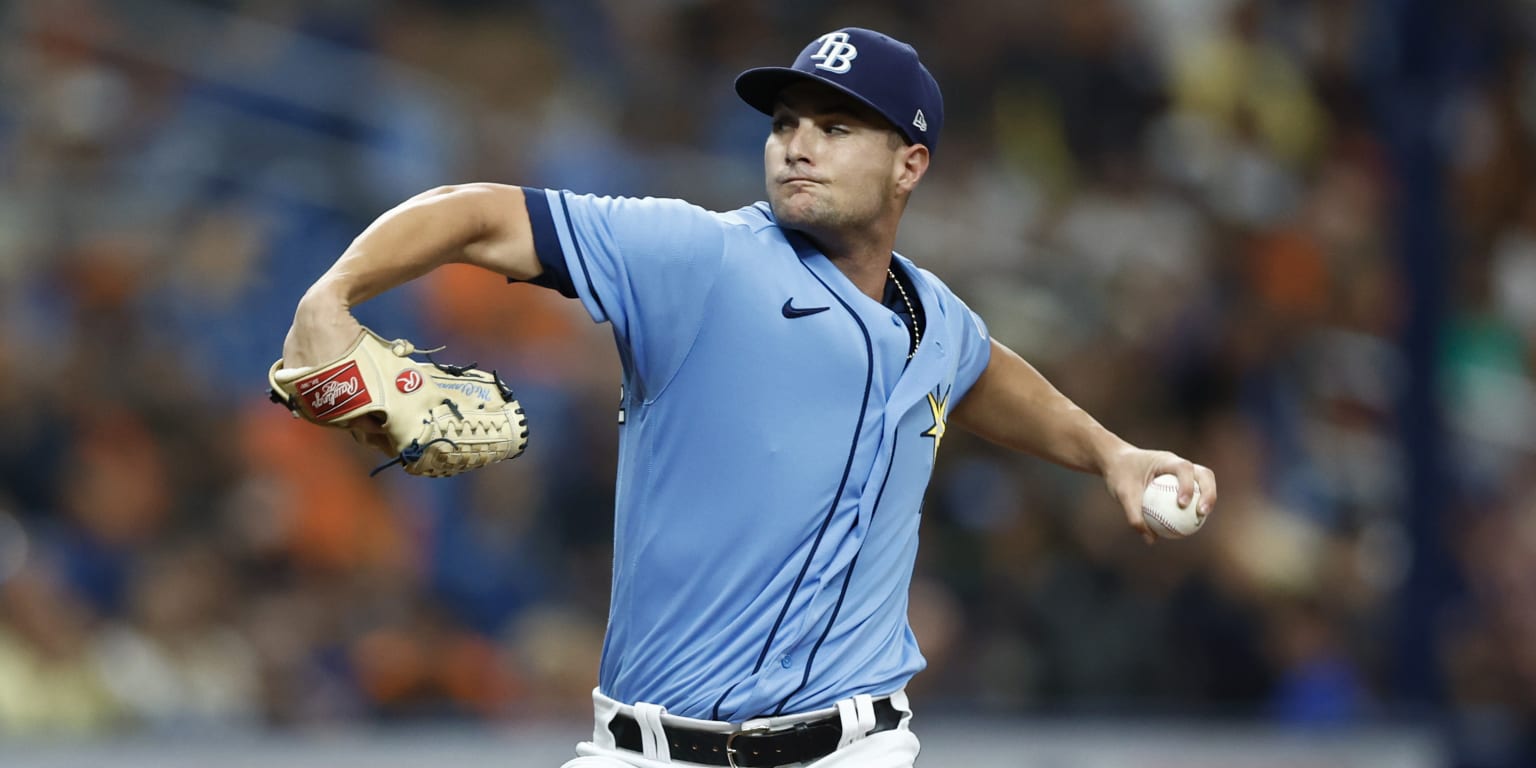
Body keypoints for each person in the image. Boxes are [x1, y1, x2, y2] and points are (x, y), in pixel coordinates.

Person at [279, 26, 1217, 768]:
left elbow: (980, 374)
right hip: (653, 749)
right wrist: (332, 297)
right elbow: (479, 211)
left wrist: (1111, 454)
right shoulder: (700, 257)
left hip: (859, 746)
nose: (797, 147)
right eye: (784, 125)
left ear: (910, 165)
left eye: (836, 128)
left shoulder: (937, 317)